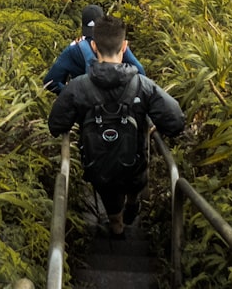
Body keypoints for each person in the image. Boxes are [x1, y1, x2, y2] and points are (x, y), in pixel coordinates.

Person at [48, 15, 184, 238]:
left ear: (93, 45)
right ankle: (133, 202)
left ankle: (116, 224)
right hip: (134, 165)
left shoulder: (78, 88)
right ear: (124, 46)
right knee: (136, 174)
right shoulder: (143, 85)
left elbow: (55, 124)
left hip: (98, 167)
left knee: (108, 189)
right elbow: (176, 122)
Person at [42, 4, 146, 94]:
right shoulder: (116, 45)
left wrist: (70, 92)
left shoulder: (74, 49)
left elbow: (50, 81)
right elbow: (141, 73)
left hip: (85, 110)